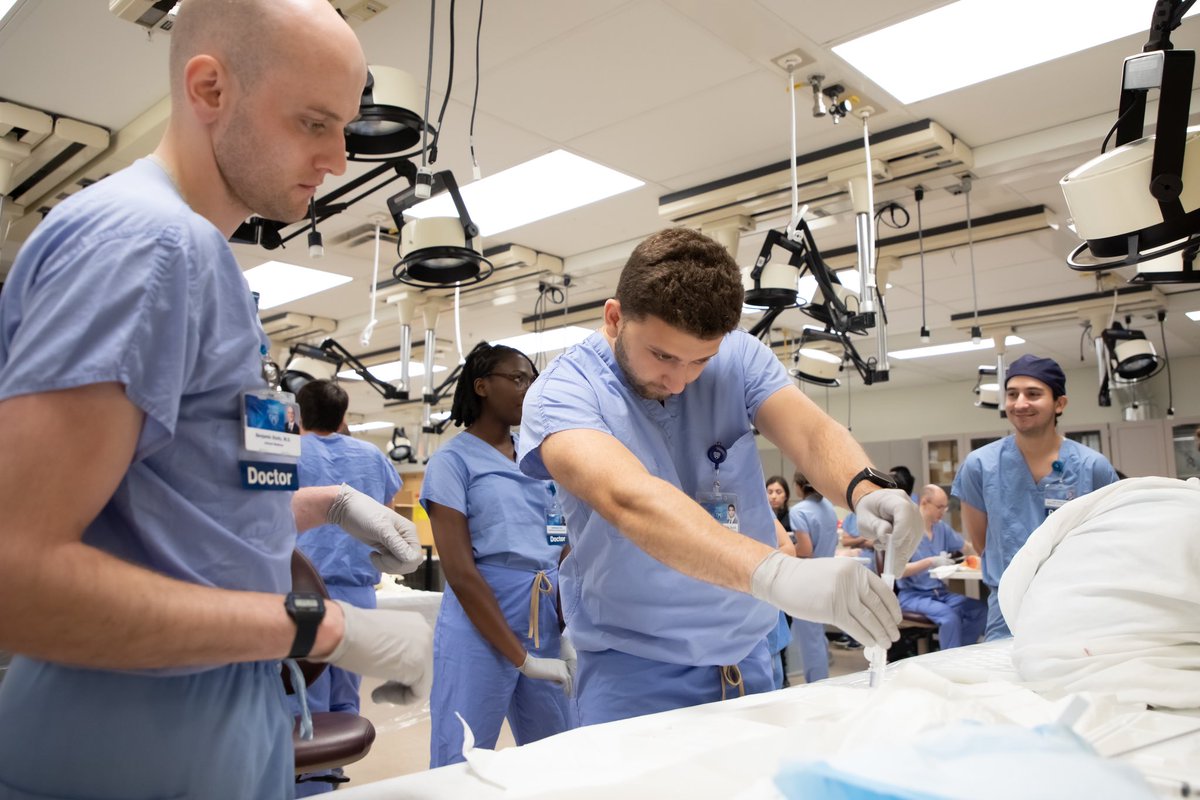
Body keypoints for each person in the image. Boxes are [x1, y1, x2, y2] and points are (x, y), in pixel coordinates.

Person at [0, 3, 431, 797]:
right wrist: (323, 626)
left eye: (344, 128)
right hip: (128, 740)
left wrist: (325, 505)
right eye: (314, 123)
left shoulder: (193, 259)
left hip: (208, 715)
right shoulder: (151, 245)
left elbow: (171, 513)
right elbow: (17, 576)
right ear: (210, 89)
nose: (338, 160)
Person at [516, 227, 923, 726]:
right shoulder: (563, 393)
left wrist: (867, 488)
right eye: (662, 356)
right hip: (635, 668)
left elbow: (810, 433)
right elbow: (630, 500)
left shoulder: (738, 356)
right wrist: (778, 574)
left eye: (700, 361)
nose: (680, 381)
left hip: (749, 655)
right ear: (615, 318)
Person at [420, 342, 577, 768]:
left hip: (544, 620)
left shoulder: (539, 459)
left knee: (559, 752)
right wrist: (520, 658)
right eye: (519, 378)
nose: (530, 389)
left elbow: (561, 546)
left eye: (533, 380)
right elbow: (460, 572)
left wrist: (567, 630)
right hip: (479, 621)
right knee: (461, 755)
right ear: (482, 386)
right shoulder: (452, 462)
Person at [952, 354, 1118, 640]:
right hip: (1008, 610)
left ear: (1059, 403)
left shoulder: (1092, 467)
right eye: (1012, 394)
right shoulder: (980, 466)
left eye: (1033, 394)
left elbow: (1109, 540)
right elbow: (982, 544)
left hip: (1077, 605)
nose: (1020, 403)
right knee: (1006, 668)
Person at [292, 379, 402, 794]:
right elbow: (387, 517)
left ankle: (307, 787)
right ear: (342, 416)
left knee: (306, 693)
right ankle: (333, 777)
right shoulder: (372, 457)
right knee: (346, 695)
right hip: (358, 593)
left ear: (297, 415)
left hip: (303, 591)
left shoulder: (287, 452)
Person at [895, 485, 986, 650]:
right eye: (939, 507)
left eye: (945, 507)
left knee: (980, 610)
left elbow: (966, 547)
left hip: (940, 593)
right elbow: (898, 571)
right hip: (913, 596)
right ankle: (950, 658)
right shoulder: (906, 530)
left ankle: (958, 651)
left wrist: (985, 555)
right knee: (949, 617)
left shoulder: (941, 528)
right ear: (924, 502)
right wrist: (930, 561)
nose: (943, 512)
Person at [788, 471, 841, 683]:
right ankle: (823, 681)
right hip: (825, 577)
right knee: (817, 636)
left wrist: (783, 548)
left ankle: (817, 686)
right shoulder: (828, 507)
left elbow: (805, 549)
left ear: (799, 486)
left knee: (810, 641)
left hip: (807, 581)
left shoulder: (798, 511)